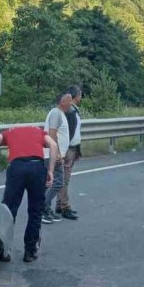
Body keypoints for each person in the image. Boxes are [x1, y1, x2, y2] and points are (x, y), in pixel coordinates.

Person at [0, 126, 59, 263]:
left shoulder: (11, 133)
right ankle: (30, 252)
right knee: (35, 211)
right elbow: (53, 144)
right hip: (37, 167)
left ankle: (2, 252)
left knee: (9, 211)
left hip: (16, 169)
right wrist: (50, 170)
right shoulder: (39, 132)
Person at [42, 91, 72, 224]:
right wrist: (58, 153)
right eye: (69, 100)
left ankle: (44, 208)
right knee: (58, 182)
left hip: (53, 154)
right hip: (52, 155)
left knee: (49, 183)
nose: (71, 102)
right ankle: (43, 207)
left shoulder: (61, 114)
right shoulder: (56, 113)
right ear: (62, 102)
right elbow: (52, 133)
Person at [57, 85, 82, 220]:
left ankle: (59, 204)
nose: (81, 97)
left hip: (70, 148)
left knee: (63, 179)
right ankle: (65, 206)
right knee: (64, 179)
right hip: (68, 149)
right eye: (80, 95)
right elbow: (70, 133)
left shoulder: (72, 110)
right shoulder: (71, 111)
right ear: (75, 96)